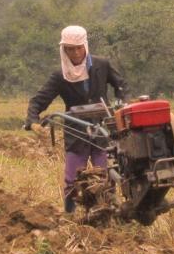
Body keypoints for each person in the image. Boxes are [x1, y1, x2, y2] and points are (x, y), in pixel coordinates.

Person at [25, 25, 128, 212]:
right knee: (72, 180)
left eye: (78, 47)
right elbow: (38, 101)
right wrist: (32, 121)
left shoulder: (101, 65)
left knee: (104, 177)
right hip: (76, 130)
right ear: (64, 50)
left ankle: (108, 214)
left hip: (102, 127)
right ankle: (70, 216)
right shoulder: (60, 75)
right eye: (70, 49)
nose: (75, 53)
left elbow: (120, 84)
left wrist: (122, 103)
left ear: (85, 46)